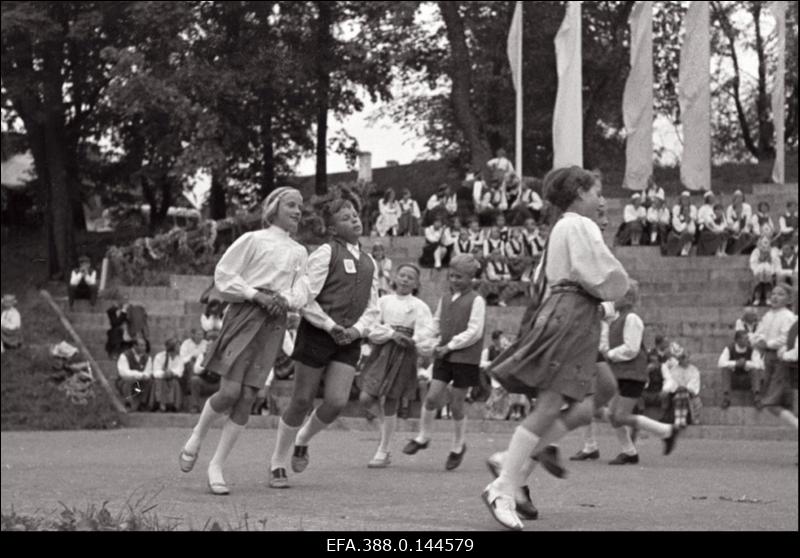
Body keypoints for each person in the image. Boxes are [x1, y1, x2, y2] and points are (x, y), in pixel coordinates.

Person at [481, 166, 629, 530]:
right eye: (596, 192)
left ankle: (511, 469)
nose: (601, 199)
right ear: (579, 193)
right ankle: (504, 483)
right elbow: (598, 277)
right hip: (571, 316)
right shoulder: (579, 225)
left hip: (571, 314)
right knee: (550, 404)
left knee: (592, 394)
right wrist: (613, 296)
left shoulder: (567, 225)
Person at [178, 186, 310, 495]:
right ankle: (197, 435)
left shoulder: (299, 252)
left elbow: (303, 288)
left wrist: (286, 300)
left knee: (249, 394)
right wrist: (254, 294)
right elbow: (225, 274)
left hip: (274, 323)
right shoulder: (253, 240)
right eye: (291, 204)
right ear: (273, 207)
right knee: (230, 391)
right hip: (245, 315)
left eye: (300, 207)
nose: (297, 211)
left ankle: (217, 465)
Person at [268, 197, 379, 489]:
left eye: (355, 214)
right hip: (318, 333)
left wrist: (356, 330)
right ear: (332, 228)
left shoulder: (370, 262)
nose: (354, 220)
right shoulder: (325, 253)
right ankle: (277, 462)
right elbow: (306, 298)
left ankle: (303, 440)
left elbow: (373, 307)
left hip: (349, 338)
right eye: (345, 218)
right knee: (302, 400)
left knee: (337, 402)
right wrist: (330, 326)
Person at [402, 254, 486, 472]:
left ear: (470, 278)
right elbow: (436, 323)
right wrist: (421, 339)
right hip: (444, 355)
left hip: (465, 358)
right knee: (431, 397)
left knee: (457, 403)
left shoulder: (477, 300)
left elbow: (474, 331)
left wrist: (450, 345)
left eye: (459, 277)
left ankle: (458, 446)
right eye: (452, 276)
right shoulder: (445, 299)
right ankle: (423, 436)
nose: (454, 280)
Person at [358, 264, 433, 468]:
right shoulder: (383, 301)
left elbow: (426, 332)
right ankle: (386, 430)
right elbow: (371, 326)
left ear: (416, 283)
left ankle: (383, 449)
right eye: (402, 275)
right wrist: (391, 334)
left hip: (403, 353)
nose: (405, 280)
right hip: (382, 351)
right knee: (366, 397)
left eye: (410, 277)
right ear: (395, 278)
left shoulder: (420, 306)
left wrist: (413, 339)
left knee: (391, 400)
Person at [751, 284, 798, 434]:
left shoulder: (789, 317)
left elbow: (786, 338)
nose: (775, 297)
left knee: (772, 402)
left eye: (780, 294)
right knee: (775, 402)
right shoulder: (767, 315)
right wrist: (758, 340)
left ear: (789, 299)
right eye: (773, 294)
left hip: (782, 360)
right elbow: (759, 332)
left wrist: (768, 343)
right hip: (768, 359)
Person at [718, 330, 764, 410]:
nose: (747, 340)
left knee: (755, 371)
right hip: (734, 380)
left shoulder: (752, 349)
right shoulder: (729, 348)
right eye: (745, 338)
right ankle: (726, 398)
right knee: (725, 370)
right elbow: (720, 363)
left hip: (747, 380)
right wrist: (736, 363)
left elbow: (759, 365)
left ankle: (757, 398)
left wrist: (746, 363)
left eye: (747, 338)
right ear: (737, 340)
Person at [661, 344, 701, 428]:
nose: (686, 360)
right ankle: (680, 419)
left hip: (690, 395)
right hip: (677, 394)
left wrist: (687, 388)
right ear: (679, 359)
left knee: (685, 393)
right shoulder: (674, 370)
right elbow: (672, 383)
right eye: (683, 358)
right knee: (680, 393)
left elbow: (693, 384)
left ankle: (681, 419)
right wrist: (679, 388)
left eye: (686, 357)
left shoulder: (694, 370)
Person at [116, 336, 154, 412]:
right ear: (135, 346)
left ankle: (143, 404)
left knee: (150, 381)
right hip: (125, 380)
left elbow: (148, 372)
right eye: (141, 345)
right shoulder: (125, 356)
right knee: (129, 381)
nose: (144, 348)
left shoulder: (147, 358)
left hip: (140, 381)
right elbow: (124, 372)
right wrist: (138, 375)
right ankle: (128, 404)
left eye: (145, 345)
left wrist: (142, 376)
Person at [189, 330, 221, 413]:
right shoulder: (202, 356)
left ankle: (224, 408)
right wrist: (206, 363)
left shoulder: (221, 357)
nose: (208, 349)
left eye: (211, 347)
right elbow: (196, 370)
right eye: (207, 347)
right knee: (194, 380)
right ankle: (195, 406)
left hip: (218, 384)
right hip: (205, 383)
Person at [152, 337, 185, 412]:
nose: (180, 348)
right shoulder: (160, 356)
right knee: (161, 382)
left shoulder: (180, 358)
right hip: (162, 378)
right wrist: (164, 374)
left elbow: (180, 371)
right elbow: (155, 372)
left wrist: (171, 372)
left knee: (174, 382)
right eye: (178, 346)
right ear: (172, 347)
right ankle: (162, 405)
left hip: (174, 378)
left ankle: (173, 405)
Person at [749, 235, 779, 306]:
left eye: (767, 240)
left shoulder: (773, 250)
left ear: (769, 242)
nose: (765, 241)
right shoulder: (756, 251)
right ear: (761, 241)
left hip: (770, 268)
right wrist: (756, 269)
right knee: (758, 282)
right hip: (759, 269)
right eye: (764, 240)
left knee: (768, 282)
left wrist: (772, 269)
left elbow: (775, 261)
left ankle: (768, 298)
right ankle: (757, 298)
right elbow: (753, 261)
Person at [666, 191, 697, 257]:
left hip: (689, 231)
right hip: (678, 232)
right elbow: (676, 223)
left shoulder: (693, 208)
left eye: (687, 199)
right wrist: (682, 227)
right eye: (683, 199)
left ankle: (684, 252)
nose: (685, 200)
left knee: (688, 236)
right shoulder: (676, 208)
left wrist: (687, 216)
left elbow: (691, 219)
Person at [725, 190, 756, 255]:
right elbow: (729, 220)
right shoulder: (730, 208)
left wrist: (744, 230)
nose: (739, 199)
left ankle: (739, 251)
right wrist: (734, 228)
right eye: (737, 197)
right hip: (733, 229)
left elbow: (748, 219)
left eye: (740, 197)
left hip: (744, 228)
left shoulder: (747, 207)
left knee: (746, 236)